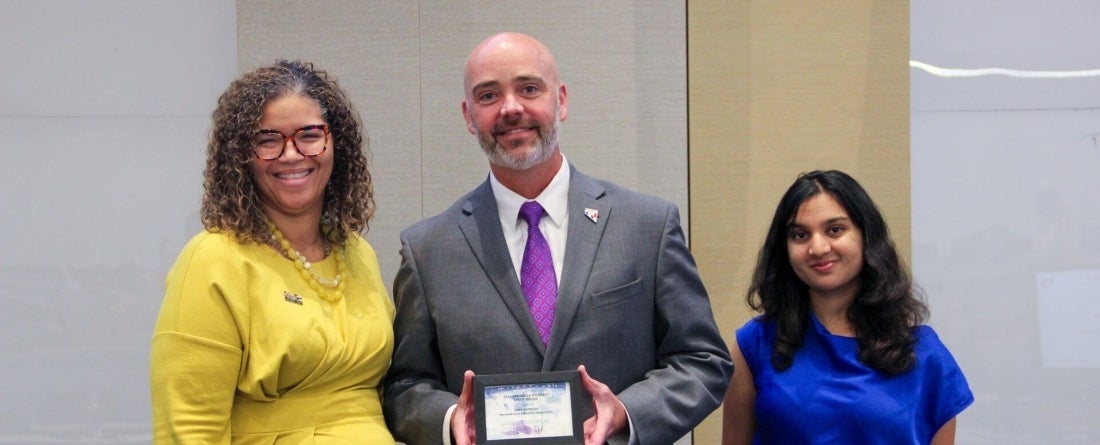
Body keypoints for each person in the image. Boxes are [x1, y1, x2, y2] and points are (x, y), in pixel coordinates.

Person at [382, 32, 732, 445]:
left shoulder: (647, 226)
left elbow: (702, 360)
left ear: (561, 100)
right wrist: (449, 418)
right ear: (469, 116)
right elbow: (404, 386)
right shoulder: (428, 251)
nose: (511, 108)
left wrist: (626, 412)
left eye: (529, 88)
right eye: (489, 95)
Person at [150, 60, 395, 444]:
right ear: (240, 156)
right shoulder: (213, 259)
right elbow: (188, 428)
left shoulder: (357, 253)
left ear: (336, 142)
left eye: (310, 135)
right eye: (268, 139)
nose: (292, 154)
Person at [722, 170, 974, 445]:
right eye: (800, 235)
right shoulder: (754, 345)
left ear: (867, 236)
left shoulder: (924, 354)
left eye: (835, 230)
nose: (817, 247)